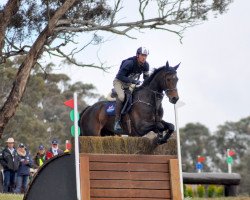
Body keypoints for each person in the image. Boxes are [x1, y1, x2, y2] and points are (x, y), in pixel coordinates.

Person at [113, 47, 150, 131]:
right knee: (122, 97)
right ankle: (117, 122)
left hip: (130, 84)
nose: (144, 57)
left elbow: (146, 78)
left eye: (145, 56)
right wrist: (133, 81)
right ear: (137, 55)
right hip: (119, 82)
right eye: (142, 55)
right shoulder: (129, 63)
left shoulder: (146, 65)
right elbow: (119, 76)